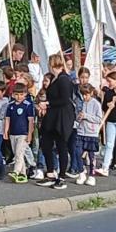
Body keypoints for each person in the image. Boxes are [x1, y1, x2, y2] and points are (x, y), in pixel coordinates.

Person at [37, 54, 74, 190]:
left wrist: (47, 103)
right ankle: (50, 172)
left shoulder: (64, 79)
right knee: (46, 143)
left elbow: (65, 99)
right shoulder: (54, 78)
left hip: (62, 116)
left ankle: (62, 176)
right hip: (52, 116)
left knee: (61, 146)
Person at [4, 83, 35, 183]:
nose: (19, 97)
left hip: (23, 133)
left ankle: (16, 171)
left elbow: (31, 121)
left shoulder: (28, 105)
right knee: (18, 154)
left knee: (19, 153)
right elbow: (7, 119)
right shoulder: (10, 106)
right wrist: (5, 131)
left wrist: (30, 134)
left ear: (25, 94)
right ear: (13, 94)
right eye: (16, 94)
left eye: (21, 94)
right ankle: (23, 174)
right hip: (13, 133)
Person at [74, 84, 103, 186]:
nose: (84, 97)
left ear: (91, 93)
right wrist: (79, 117)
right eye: (83, 95)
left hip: (91, 133)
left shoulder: (96, 104)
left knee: (91, 156)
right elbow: (77, 117)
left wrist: (86, 116)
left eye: (86, 94)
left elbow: (99, 119)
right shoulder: (80, 103)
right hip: (81, 131)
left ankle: (91, 175)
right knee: (77, 153)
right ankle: (81, 172)